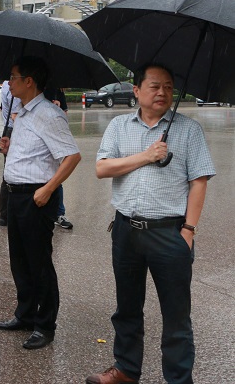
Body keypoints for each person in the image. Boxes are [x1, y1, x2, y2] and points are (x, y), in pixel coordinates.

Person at [86, 64, 214, 384]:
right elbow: (103, 169)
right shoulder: (118, 126)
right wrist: (146, 155)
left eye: (169, 87)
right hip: (126, 229)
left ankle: (178, 378)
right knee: (127, 309)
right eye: (155, 86)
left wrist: (189, 230)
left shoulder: (188, 130)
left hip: (170, 233)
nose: (162, 93)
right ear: (137, 91)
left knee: (176, 317)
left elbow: (199, 181)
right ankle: (126, 370)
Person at [0, 56, 81, 350]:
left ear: (29, 82)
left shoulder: (48, 114)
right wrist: (5, 146)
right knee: (19, 260)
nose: (9, 82)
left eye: (14, 77)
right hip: (16, 195)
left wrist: (48, 189)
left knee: (39, 263)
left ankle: (45, 326)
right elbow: (30, 153)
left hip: (36, 197)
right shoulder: (22, 114)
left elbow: (71, 157)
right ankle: (26, 314)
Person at [44, 87, 73, 230]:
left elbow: (65, 115)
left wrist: (58, 108)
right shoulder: (33, 89)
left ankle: (59, 213)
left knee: (56, 175)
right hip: (37, 139)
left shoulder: (57, 89)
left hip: (54, 136)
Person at [0, 80, 21, 227]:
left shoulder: (5, 85)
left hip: (7, 130)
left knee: (7, 174)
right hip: (15, 130)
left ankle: (4, 216)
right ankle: (9, 215)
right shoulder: (16, 87)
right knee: (14, 175)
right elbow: (16, 115)